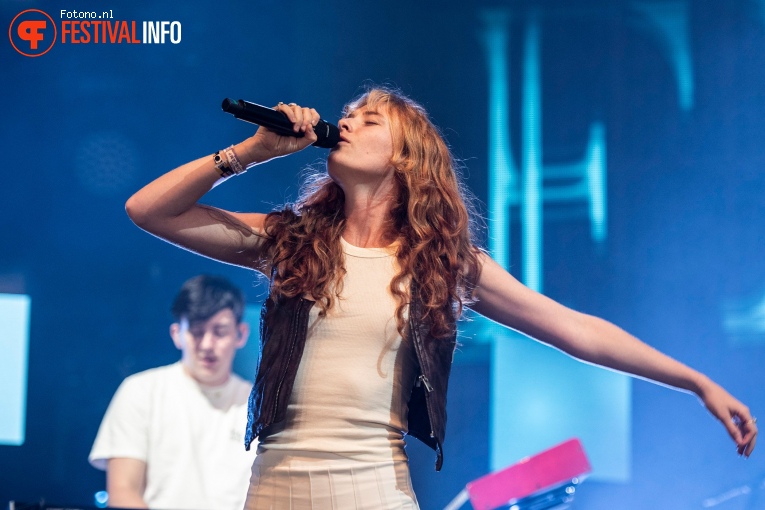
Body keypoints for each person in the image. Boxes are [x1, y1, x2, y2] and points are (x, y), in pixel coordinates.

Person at [124, 87, 758, 509]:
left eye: (367, 119)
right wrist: (248, 153)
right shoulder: (291, 241)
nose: (344, 122)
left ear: (405, 157)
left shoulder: (442, 262)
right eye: (347, 114)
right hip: (274, 488)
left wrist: (696, 380)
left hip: (375, 490)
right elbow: (148, 211)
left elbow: (575, 330)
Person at [89, 274, 256, 510]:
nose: (207, 344)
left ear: (241, 334)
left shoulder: (257, 404)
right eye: (197, 332)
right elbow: (122, 492)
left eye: (219, 332)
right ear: (177, 333)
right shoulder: (141, 391)